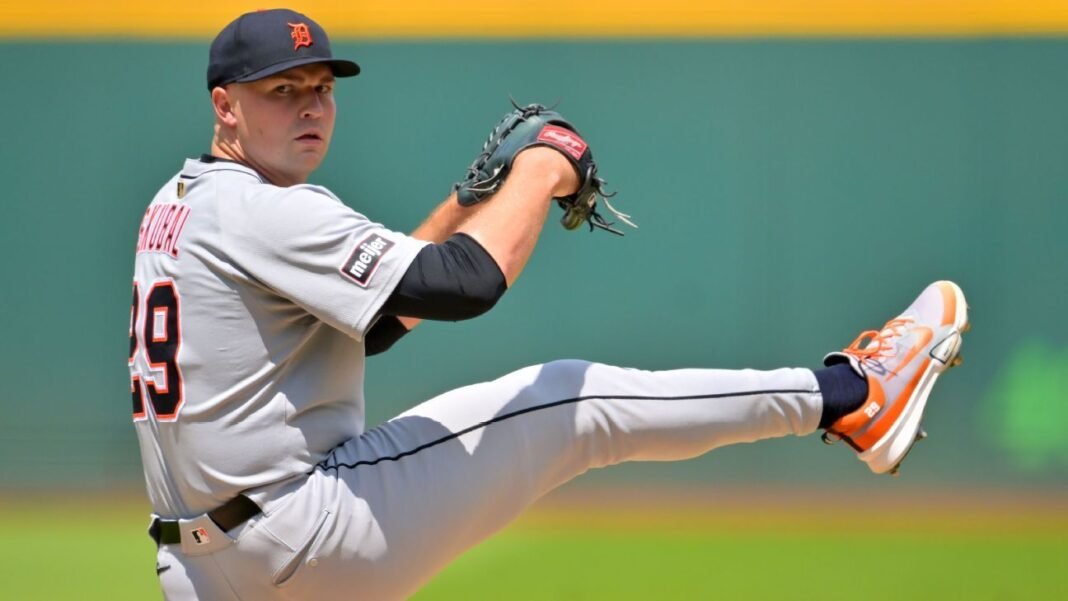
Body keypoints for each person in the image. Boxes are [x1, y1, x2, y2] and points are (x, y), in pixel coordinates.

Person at [127, 9, 969, 601]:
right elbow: (465, 284)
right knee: (569, 401)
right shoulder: (268, 209)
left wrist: (465, 205)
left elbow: (369, 326)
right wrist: (545, 165)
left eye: (322, 86)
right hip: (305, 532)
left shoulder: (180, 203)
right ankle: (856, 394)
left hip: (200, 570)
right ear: (225, 105)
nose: (311, 104)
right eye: (283, 90)